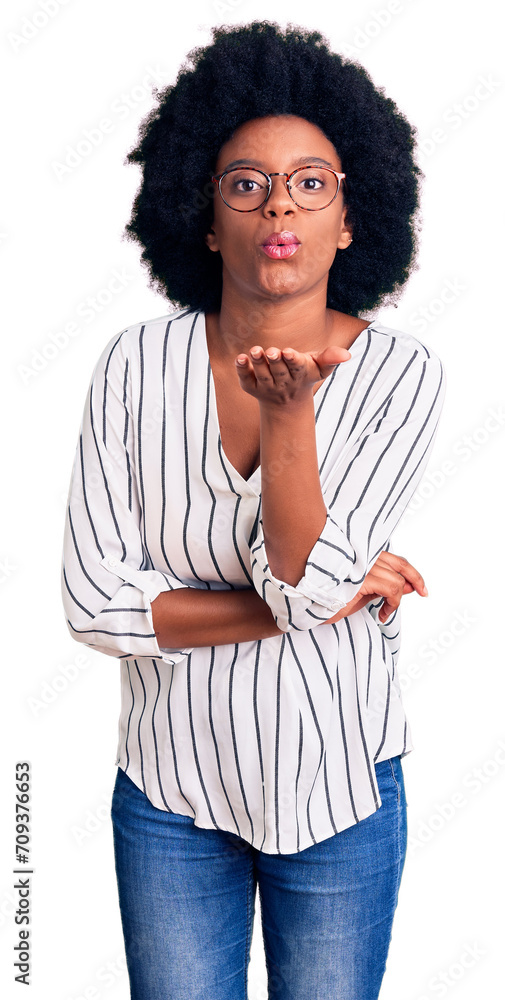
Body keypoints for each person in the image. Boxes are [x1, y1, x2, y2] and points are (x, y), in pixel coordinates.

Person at [61, 20, 446, 1000]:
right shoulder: (134, 367)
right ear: (202, 214)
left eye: (311, 181)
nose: (279, 202)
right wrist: (322, 598)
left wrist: (288, 420)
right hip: (168, 793)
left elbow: (301, 578)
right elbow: (95, 604)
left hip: (336, 790)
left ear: (352, 218)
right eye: (245, 183)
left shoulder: (399, 376)